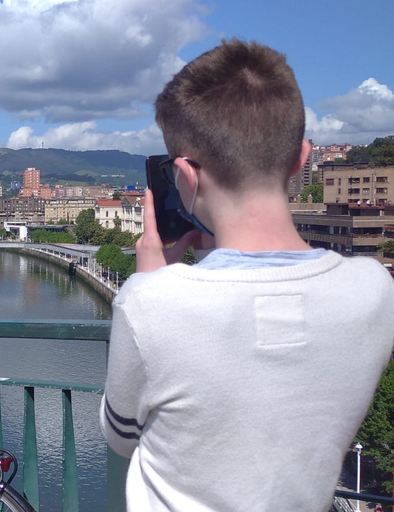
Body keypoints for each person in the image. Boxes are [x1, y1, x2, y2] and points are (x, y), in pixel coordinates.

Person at [100, 39, 394, 512]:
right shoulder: (376, 291)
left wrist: (149, 282)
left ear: (187, 177)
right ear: (301, 158)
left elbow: (121, 436)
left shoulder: (151, 304)